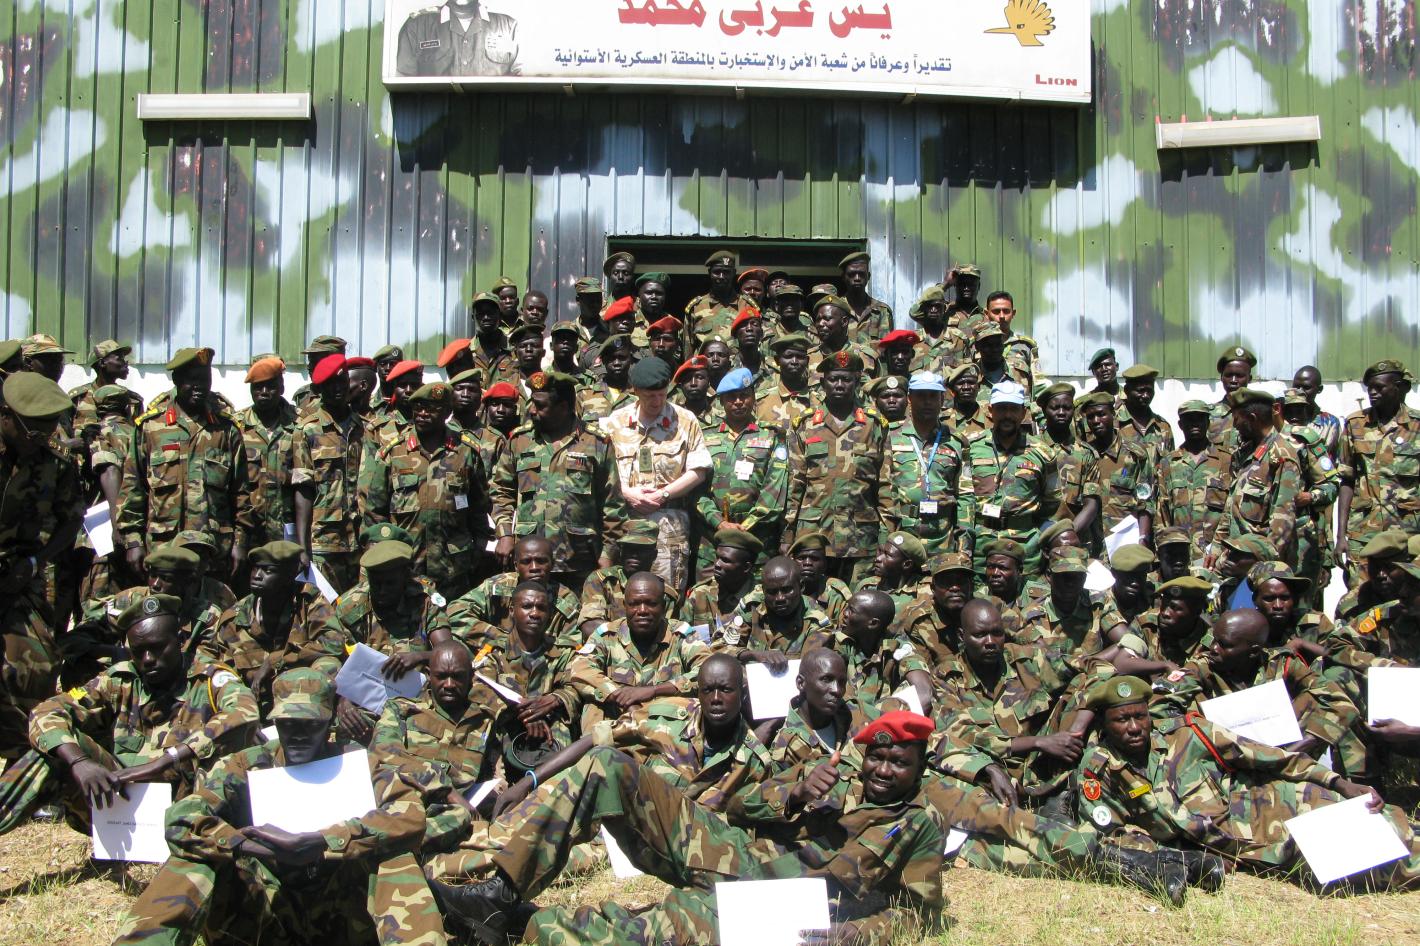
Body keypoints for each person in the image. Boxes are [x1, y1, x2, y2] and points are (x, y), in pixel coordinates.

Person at [430, 709, 946, 946]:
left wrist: (860, 933)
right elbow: (738, 807)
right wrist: (789, 796)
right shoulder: (835, 777)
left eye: (899, 763)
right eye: (877, 758)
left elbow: (920, 915)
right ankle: (501, 890)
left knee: (651, 931)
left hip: (781, 901)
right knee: (608, 765)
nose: (883, 770)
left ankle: (521, 926)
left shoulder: (919, 824)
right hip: (734, 852)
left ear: (919, 767)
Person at [110, 668, 455, 946]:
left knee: (394, 857)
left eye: (310, 724)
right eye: (288, 724)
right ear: (275, 722)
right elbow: (181, 819)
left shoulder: (359, 763)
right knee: (193, 858)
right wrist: (245, 845)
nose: (298, 734)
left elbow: (410, 814)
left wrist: (325, 841)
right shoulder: (246, 765)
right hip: (266, 910)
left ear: (330, 721)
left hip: (342, 910)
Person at [1069, 675, 1420, 887]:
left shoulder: (1189, 734)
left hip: (1275, 804)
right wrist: (1185, 858)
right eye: (1122, 720)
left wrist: (1338, 782)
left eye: (1140, 716)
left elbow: (1271, 756)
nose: (1134, 728)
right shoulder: (1099, 771)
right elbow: (1111, 836)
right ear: (1104, 725)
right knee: (1369, 864)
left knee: (1377, 820)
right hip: (1251, 846)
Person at [0, 593, 258, 836]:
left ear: (180, 641)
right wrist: (79, 761)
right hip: (117, 800)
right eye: (138, 651)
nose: (148, 659)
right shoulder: (120, 680)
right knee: (52, 750)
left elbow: (244, 712)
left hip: (189, 806)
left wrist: (166, 761)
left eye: (157, 648)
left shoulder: (209, 678)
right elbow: (47, 711)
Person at [0, 373, 85, 759]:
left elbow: (71, 520)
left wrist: (36, 561)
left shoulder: (56, 464)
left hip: (20, 576)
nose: (44, 436)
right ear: (6, 416)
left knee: (37, 666)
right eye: (34, 429)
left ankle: (26, 760)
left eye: (50, 427)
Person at [118, 347, 252, 582]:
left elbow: (241, 494)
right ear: (177, 380)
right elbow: (133, 489)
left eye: (205, 379)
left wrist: (240, 543)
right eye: (192, 380)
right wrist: (133, 542)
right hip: (163, 551)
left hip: (213, 553)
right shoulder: (151, 428)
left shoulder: (226, 429)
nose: (199, 387)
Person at [359, 381, 491, 599]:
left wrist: (477, 549)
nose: (422, 414)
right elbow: (375, 512)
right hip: (406, 567)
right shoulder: (394, 453)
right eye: (418, 408)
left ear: (447, 412)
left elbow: (479, 508)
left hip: (453, 569)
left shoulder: (465, 451)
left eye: (431, 409)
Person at [198, 541, 348, 717]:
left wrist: (275, 660)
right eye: (255, 569)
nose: (257, 576)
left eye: (268, 571)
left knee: (329, 664)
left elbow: (333, 645)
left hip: (304, 706)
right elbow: (222, 672)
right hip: (253, 708)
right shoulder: (234, 619)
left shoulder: (309, 602)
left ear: (290, 575)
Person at [602, 357, 712, 594]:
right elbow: (603, 472)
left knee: (667, 596)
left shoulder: (685, 420)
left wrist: (663, 494)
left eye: (662, 395)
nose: (657, 401)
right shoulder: (615, 423)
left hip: (669, 528)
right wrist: (627, 493)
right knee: (624, 595)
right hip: (626, 526)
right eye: (650, 396)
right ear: (636, 391)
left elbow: (699, 471)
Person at [784, 350, 888, 583]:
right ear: (823, 383)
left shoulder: (874, 425)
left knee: (862, 598)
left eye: (846, 379)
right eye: (833, 379)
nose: (839, 385)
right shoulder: (805, 424)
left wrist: (887, 534)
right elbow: (795, 484)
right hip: (814, 535)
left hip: (861, 536)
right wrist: (787, 535)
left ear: (857, 382)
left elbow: (885, 485)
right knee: (813, 597)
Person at [556, 572, 710, 727]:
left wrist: (654, 691)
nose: (642, 610)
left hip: (665, 728)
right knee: (594, 704)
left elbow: (707, 671)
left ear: (663, 607)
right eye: (634, 604)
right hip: (616, 725)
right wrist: (622, 698)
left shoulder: (680, 634)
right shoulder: (607, 635)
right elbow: (580, 668)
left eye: (651, 603)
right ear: (625, 606)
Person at [691, 366, 790, 571]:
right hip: (712, 542)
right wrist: (719, 523)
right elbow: (696, 489)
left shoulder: (772, 436)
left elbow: (775, 489)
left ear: (754, 398)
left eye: (744, 395)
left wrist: (743, 528)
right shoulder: (704, 437)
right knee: (707, 591)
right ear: (721, 401)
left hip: (756, 542)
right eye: (731, 397)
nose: (738, 401)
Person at [1336, 359, 1420, 583]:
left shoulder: (1417, 426)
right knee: (1359, 592)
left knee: (1409, 592)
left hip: (1408, 532)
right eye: (1369, 388)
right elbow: (1346, 480)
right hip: (1364, 531)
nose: (1372, 393)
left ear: (1400, 388)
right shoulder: (1355, 424)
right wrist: (1341, 535)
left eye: (1380, 387)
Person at [965, 380, 1059, 576]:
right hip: (981, 546)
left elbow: (1052, 503)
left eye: (1013, 409)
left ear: (1023, 413)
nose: (1007, 415)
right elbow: (963, 497)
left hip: (1025, 547)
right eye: (1001, 408)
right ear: (991, 411)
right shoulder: (971, 447)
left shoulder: (1043, 453)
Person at [291, 353, 365, 592]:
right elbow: (303, 490)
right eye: (329, 384)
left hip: (360, 538)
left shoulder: (363, 428)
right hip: (323, 540)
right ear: (320, 389)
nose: (337, 389)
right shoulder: (307, 430)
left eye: (341, 382)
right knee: (323, 608)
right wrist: (303, 546)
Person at [1209, 387, 1302, 567]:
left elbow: (1282, 522)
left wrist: (1265, 567)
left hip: (1258, 563)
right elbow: (1231, 505)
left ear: (1252, 419)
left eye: (1237, 418)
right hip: (1235, 557)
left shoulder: (1281, 456)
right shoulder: (1245, 453)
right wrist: (1216, 546)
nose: (1234, 425)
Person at [447, 535, 581, 648]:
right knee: (455, 643)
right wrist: (503, 640)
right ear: (516, 566)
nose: (534, 567)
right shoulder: (497, 587)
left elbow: (572, 644)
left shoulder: (566, 600)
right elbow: (455, 612)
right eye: (526, 561)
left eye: (541, 561)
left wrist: (533, 648)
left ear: (552, 564)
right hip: (496, 656)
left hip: (545, 663)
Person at [1064, 390, 1154, 555]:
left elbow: (1146, 504)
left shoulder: (1135, 456)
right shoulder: (1082, 456)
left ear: (1113, 414)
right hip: (1089, 548)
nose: (1096, 421)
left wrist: (1143, 539)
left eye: (1101, 414)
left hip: (1125, 546)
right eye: (1090, 417)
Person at [708, 555, 832, 665]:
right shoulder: (752, 607)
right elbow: (719, 646)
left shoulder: (816, 621)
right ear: (763, 591)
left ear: (801, 587)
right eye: (772, 592)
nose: (780, 598)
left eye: (787, 590)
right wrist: (753, 655)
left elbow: (811, 669)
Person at [1156, 399, 1236, 559]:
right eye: (1189, 419)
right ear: (1180, 425)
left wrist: (1219, 548)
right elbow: (1162, 514)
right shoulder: (1168, 463)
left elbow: (1231, 510)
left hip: (1216, 556)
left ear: (1208, 423)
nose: (1195, 424)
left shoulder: (1226, 461)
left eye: (1200, 419)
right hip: (1180, 557)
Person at [236, 355, 298, 551]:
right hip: (249, 532)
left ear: (282, 387)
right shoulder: (236, 426)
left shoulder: (300, 424)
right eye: (257, 387)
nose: (264, 392)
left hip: (288, 529)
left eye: (271, 386)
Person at [576, 520, 662, 637]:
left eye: (641, 549)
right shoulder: (601, 581)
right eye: (629, 548)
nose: (634, 554)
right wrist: (627, 640)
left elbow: (670, 632)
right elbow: (589, 625)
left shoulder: (663, 591)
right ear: (621, 551)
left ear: (654, 554)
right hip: (606, 647)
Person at [396, 0, 519, 77]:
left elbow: (522, 85)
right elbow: (403, 87)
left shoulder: (508, 27)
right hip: (436, 111)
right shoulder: (417, 26)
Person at [679, 528, 762, 638]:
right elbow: (682, 637)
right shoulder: (700, 594)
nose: (717, 564)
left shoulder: (761, 600)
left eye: (725, 560)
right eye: (717, 557)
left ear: (746, 567)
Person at [69, 339, 143, 428]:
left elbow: (139, 434)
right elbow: (64, 431)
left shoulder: (132, 400)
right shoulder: (78, 397)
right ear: (102, 363)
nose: (126, 363)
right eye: (120, 358)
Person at [1115, 363, 1174, 461]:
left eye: (1149, 390)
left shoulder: (1163, 427)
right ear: (1126, 390)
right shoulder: (1114, 424)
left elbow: (1170, 465)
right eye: (1141, 391)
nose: (1146, 395)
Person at [755, 332, 814, 428]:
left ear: (807, 361)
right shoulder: (760, 402)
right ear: (777, 360)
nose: (794, 361)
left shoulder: (817, 401)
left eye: (800, 357)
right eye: (788, 356)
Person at [839, 250, 894, 345]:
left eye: (861, 274)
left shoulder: (883, 312)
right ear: (843, 277)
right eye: (852, 274)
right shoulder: (835, 310)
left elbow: (890, 348)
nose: (857, 278)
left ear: (868, 276)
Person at [1291, 364, 1341, 461]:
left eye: (1306, 387)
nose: (1300, 392)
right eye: (1296, 386)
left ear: (1319, 389)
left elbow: (1335, 459)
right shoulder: (1280, 418)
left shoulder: (1331, 423)